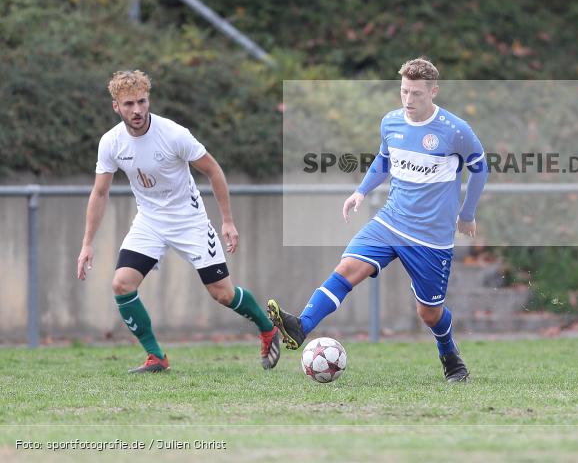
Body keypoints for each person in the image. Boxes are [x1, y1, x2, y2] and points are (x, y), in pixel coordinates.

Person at [268, 58, 488, 382]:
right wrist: (360, 191)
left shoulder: (456, 130)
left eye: (416, 94)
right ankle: (301, 326)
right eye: (404, 92)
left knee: (429, 313)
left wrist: (467, 214)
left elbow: (480, 168)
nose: (409, 100)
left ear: (433, 92)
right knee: (345, 270)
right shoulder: (391, 123)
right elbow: (384, 160)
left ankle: (450, 356)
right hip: (390, 221)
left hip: (431, 237)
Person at [76, 70, 280, 373]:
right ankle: (156, 357)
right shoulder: (111, 142)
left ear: (149, 100)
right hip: (149, 222)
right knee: (121, 284)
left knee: (222, 293)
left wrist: (227, 221)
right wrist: (87, 244)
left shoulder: (173, 134)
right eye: (129, 104)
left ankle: (267, 328)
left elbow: (214, 171)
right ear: (116, 106)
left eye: (142, 102)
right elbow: (100, 192)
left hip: (190, 220)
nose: (137, 110)